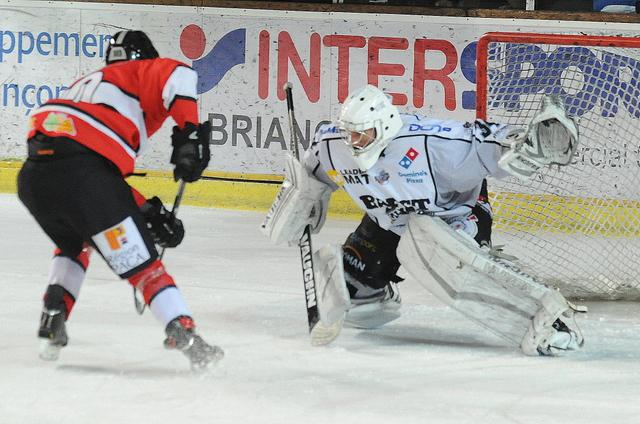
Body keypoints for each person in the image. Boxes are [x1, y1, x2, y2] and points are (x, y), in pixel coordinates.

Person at [262, 84, 584, 356]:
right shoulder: (334, 144)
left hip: (453, 216)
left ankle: (547, 319)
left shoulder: (435, 143)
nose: (354, 142)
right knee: (357, 299)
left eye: (362, 135)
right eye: (351, 135)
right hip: (387, 220)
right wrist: (303, 200)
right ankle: (377, 290)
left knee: (450, 260)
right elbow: (311, 173)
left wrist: (529, 144)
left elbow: (491, 142)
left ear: (385, 124)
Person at [18, 30, 223, 370]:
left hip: (35, 178)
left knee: (74, 243)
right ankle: (186, 336)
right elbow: (180, 74)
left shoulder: (87, 85)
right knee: (145, 269)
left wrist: (146, 211)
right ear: (144, 57)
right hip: (84, 177)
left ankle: (53, 313)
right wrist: (190, 135)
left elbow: (94, 177)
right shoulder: (141, 70)